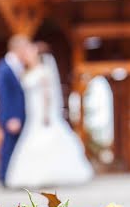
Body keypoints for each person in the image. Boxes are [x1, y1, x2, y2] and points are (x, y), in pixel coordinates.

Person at [5, 43, 94, 188]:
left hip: (42, 112)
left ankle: (51, 174)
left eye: (30, 52)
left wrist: (46, 114)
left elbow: (47, 95)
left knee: (44, 140)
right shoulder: (26, 72)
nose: (27, 55)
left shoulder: (44, 71)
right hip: (31, 113)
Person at [0, 35, 29, 185]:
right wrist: (11, 117)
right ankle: (4, 177)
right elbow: (4, 95)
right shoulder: (4, 68)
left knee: (18, 146)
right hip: (11, 117)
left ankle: (14, 176)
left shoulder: (19, 66)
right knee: (9, 145)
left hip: (20, 116)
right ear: (18, 48)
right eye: (25, 47)